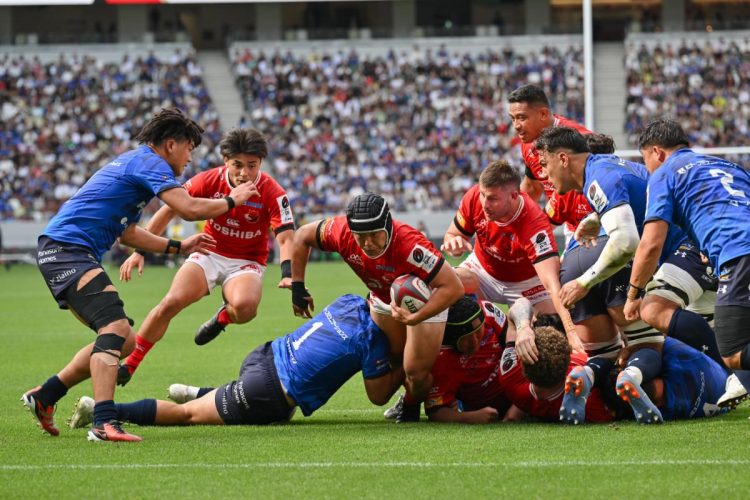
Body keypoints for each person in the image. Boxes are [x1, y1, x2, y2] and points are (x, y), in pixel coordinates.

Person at [22, 108, 259, 443]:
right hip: (67, 251)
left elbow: (129, 233)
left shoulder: (134, 165)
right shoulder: (151, 163)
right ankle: (104, 423)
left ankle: (46, 395)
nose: (190, 157)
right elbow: (189, 207)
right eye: (189, 148)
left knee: (125, 340)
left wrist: (179, 246)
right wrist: (230, 201)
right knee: (115, 327)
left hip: (67, 251)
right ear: (171, 144)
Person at [116, 129, 295, 385]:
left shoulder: (272, 192)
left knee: (245, 309)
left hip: (247, 262)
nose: (244, 173)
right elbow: (169, 211)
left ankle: (223, 317)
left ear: (261, 164)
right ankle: (130, 364)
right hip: (208, 252)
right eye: (238, 165)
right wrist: (140, 251)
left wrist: (288, 274)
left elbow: (287, 236)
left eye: (252, 166)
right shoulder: (208, 181)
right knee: (171, 302)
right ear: (225, 160)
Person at [68, 295, 405, 429]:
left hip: (264, 355)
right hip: (268, 388)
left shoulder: (349, 300)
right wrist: (406, 364)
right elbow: (378, 396)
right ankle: (104, 410)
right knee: (188, 417)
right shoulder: (372, 341)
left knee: (279, 414)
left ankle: (195, 391)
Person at [536, 126, 684, 424]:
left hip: (575, 260)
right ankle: (631, 377)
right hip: (603, 262)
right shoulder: (606, 170)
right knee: (646, 342)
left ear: (563, 158)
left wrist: (581, 279)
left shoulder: (598, 176)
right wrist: (585, 280)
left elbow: (624, 234)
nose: (543, 175)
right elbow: (628, 242)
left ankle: (586, 374)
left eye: (544, 164)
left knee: (603, 352)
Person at [290, 192, 464, 419]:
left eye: (375, 235)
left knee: (416, 372)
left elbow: (453, 287)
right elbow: (302, 235)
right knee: (395, 359)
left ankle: (411, 404)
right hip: (383, 298)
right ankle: (423, 374)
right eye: (360, 236)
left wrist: (417, 317)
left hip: (428, 297)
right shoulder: (341, 232)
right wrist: (297, 287)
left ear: (388, 226)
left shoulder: (411, 246)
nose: (368, 243)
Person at [627, 118, 750, 408]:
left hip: (737, 253)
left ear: (656, 152)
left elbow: (651, 243)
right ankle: (742, 379)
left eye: (647, 162)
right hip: (733, 250)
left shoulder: (664, 173)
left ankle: (739, 376)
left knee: (733, 353)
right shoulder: (728, 166)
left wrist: (634, 293)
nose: (648, 171)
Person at [441, 160, 582, 353]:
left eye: (492, 199)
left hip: (528, 284)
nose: (484, 204)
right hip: (482, 272)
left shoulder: (534, 224)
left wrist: (571, 330)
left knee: (551, 335)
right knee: (445, 284)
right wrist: (452, 242)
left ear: (514, 195)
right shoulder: (474, 196)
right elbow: (452, 234)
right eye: (482, 195)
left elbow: (551, 284)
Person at [423, 297, 612, 424]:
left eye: (478, 332)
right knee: (605, 368)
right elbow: (435, 411)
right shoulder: (441, 362)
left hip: (522, 394)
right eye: (466, 339)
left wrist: (523, 329)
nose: (475, 342)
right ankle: (598, 371)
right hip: (528, 394)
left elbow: (517, 314)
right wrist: (472, 417)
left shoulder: (509, 374)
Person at [508, 84, 593, 246]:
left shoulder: (581, 141)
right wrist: (510, 219)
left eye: (521, 118)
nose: (516, 126)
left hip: (598, 225)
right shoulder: (528, 142)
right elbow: (533, 187)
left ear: (543, 114)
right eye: (512, 119)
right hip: (572, 228)